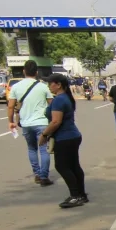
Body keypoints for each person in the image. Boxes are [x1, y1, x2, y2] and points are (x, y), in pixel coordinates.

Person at [40, 74, 86, 209]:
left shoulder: (59, 100)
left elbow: (56, 121)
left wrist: (44, 134)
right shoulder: (65, 98)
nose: (49, 87)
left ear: (58, 84)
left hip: (65, 137)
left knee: (62, 166)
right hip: (72, 136)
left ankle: (75, 195)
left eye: (50, 84)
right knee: (73, 166)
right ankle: (80, 194)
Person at [7, 60, 54, 187]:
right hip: (42, 123)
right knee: (44, 149)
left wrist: (11, 122)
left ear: (24, 71)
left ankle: (37, 174)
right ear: (37, 72)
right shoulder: (44, 87)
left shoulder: (16, 87)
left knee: (32, 149)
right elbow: (51, 104)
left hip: (26, 124)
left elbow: (11, 106)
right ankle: (44, 177)